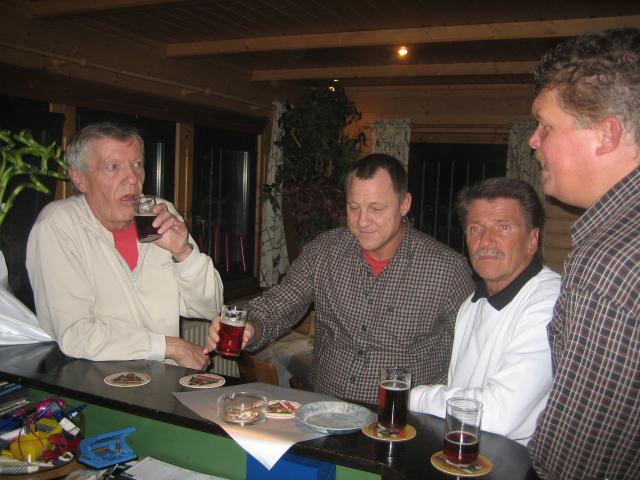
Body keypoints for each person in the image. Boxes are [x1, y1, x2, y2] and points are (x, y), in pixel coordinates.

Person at [206, 153, 475, 404]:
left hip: (401, 418)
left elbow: (471, 351)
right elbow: (280, 303)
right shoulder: (324, 251)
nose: (362, 221)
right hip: (324, 407)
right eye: (353, 207)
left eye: (376, 208)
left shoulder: (448, 269)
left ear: (404, 204)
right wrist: (250, 324)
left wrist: (435, 405)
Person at [527, 28, 640, 479]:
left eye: (546, 126)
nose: (533, 141)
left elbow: (574, 461)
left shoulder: (610, 262)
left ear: (606, 134)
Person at [26, 122, 223, 369]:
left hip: (161, 382)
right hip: (92, 384)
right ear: (79, 178)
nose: (132, 179)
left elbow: (210, 308)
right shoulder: (58, 226)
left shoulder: (160, 214)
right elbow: (76, 334)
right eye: (113, 167)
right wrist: (169, 346)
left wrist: (183, 253)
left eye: (137, 164)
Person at [409, 177, 560, 445]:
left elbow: (499, 413)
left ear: (532, 240)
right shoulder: (471, 304)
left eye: (503, 227)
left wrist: (416, 396)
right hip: (465, 454)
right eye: (476, 228)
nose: (485, 241)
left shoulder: (551, 302)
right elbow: (460, 395)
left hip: (521, 463)